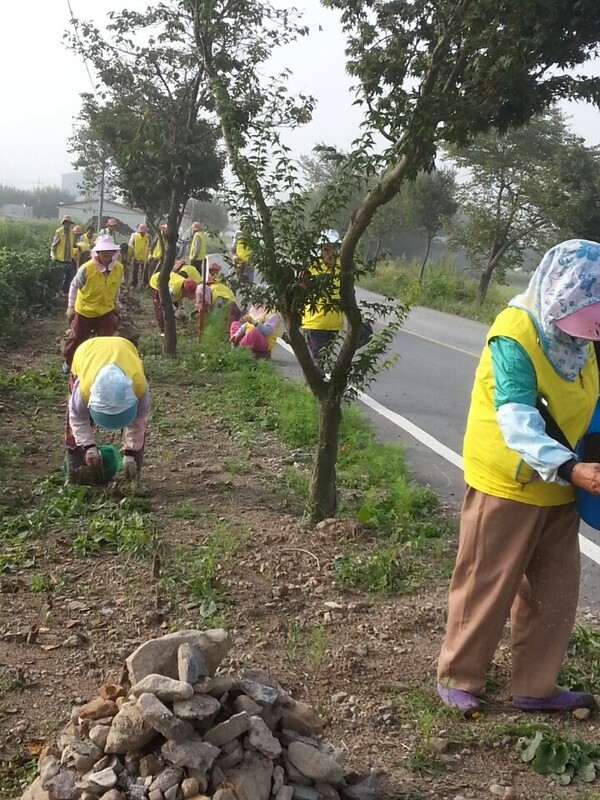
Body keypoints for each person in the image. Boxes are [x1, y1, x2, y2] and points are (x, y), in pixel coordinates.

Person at [437, 239, 600, 716]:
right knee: (487, 580)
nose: (586, 334)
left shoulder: (584, 340)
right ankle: (459, 676)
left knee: (555, 590)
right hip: (508, 480)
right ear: (560, 292)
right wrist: (573, 467)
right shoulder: (516, 336)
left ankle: (535, 684)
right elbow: (517, 421)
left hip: (561, 485)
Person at [64, 336, 149, 490]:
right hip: (87, 351)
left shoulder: (139, 386)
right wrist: (89, 447)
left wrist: (130, 454)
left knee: (137, 440)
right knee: (72, 428)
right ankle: (73, 475)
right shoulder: (83, 388)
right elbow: (77, 419)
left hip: (125, 348)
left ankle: (135, 479)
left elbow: (138, 422)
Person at [62, 235, 123, 368]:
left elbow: (116, 286)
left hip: (106, 310)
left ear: (114, 252)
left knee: (105, 340)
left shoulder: (119, 268)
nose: (106, 254)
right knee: (77, 338)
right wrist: (70, 306)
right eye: (103, 251)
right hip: (85, 310)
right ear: (97, 252)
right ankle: (69, 362)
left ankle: (98, 365)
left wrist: (116, 302)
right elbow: (74, 286)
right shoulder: (86, 268)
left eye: (109, 251)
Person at [301, 229, 343, 361]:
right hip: (314, 322)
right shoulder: (311, 266)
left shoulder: (343, 266)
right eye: (326, 249)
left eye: (333, 248)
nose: (330, 253)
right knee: (317, 358)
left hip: (334, 323)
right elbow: (301, 289)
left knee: (326, 359)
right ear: (320, 249)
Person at [51, 215, 77, 296]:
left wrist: (78, 247)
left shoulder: (71, 233)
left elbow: (73, 244)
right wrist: (53, 254)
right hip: (60, 258)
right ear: (63, 223)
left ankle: (65, 292)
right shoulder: (59, 232)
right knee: (60, 276)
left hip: (68, 258)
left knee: (68, 276)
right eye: (66, 223)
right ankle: (58, 291)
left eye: (69, 223)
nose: (68, 224)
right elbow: (54, 245)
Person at [129, 223, 151, 288]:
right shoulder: (134, 236)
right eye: (141, 232)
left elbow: (150, 246)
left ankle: (145, 284)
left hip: (145, 257)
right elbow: (131, 245)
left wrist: (149, 254)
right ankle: (134, 284)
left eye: (143, 232)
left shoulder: (148, 237)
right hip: (136, 256)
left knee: (145, 272)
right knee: (135, 272)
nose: (142, 233)